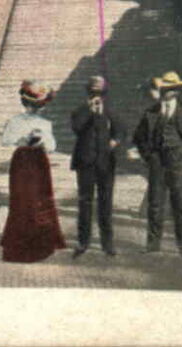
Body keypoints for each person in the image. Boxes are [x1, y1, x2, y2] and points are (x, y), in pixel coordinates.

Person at [132, 71, 182, 257]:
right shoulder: (151, 112)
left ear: (177, 91)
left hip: (179, 164)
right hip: (157, 164)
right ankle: (153, 245)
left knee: (180, 204)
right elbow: (138, 137)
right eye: (165, 89)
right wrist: (149, 156)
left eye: (172, 89)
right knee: (155, 204)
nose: (168, 93)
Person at [0, 81, 67, 263]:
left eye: (36, 106)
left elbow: (52, 146)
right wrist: (22, 139)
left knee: (38, 200)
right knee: (23, 200)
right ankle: (24, 245)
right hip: (25, 160)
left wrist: (41, 141)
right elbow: (6, 140)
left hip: (36, 161)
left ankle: (38, 243)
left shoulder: (44, 123)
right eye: (33, 105)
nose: (34, 109)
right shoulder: (15, 121)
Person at [68, 74, 123, 257]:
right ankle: (83, 242)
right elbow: (77, 128)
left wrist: (115, 141)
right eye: (92, 94)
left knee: (106, 203)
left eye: (99, 94)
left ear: (104, 94)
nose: (96, 97)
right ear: (88, 94)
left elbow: (121, 130)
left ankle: (107, 243)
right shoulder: (80, 111)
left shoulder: (111, 111)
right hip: (85, 163)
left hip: (106, 163)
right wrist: (90, 111)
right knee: (85, 203)